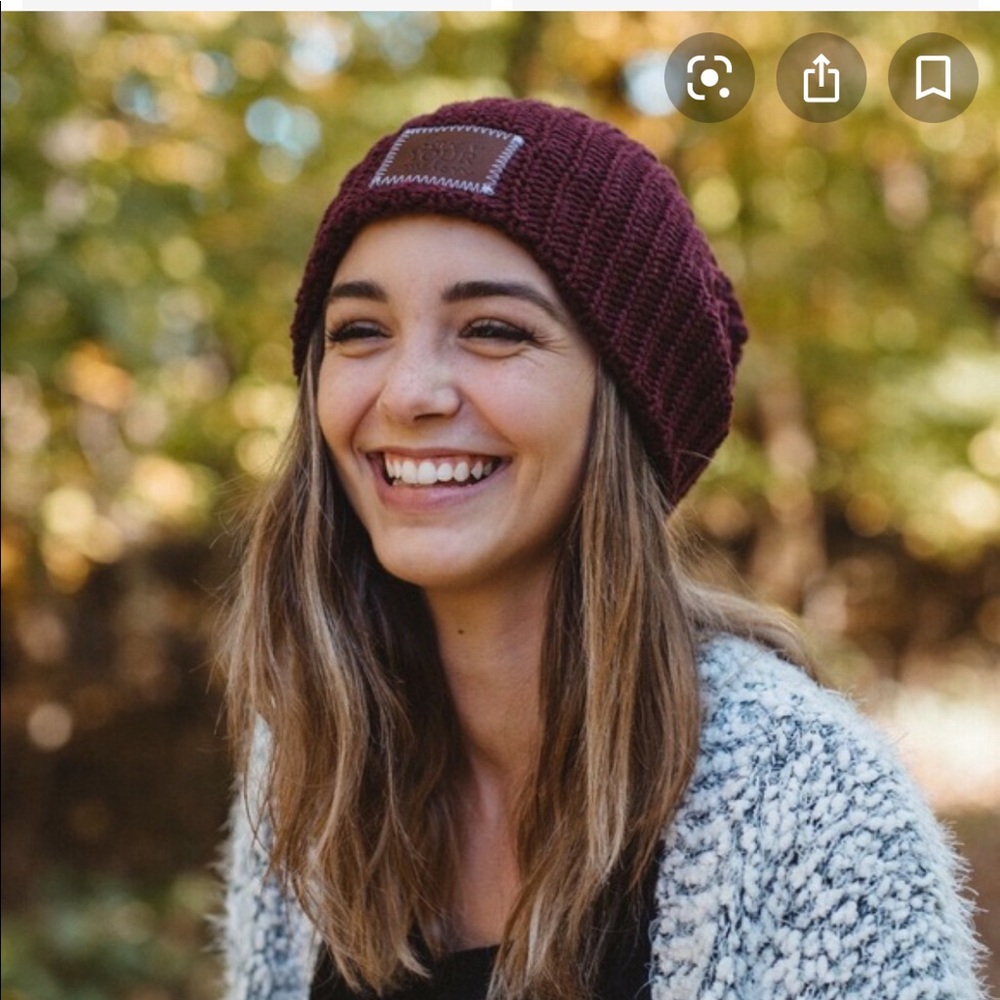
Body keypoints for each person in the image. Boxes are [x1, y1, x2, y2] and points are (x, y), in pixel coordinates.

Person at [217, 98, 985, 1000]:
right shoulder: (310, 757)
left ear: (621, 401)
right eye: (358, 331)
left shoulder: (805, 804)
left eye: (494, 330)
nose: (409, 391)